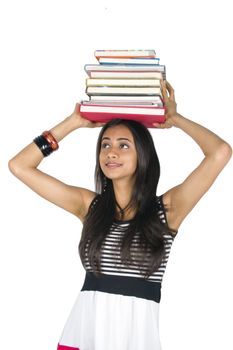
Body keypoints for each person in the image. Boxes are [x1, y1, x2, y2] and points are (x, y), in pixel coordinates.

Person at [8, 80, 232, 350]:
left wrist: (176, 118)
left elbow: (220, 152)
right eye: (105, 145)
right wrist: (73, 122)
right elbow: (19, 166)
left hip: (136, 341)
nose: (111, 152)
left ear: (143, 155)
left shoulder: (168, 211)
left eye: (124, 145)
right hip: (82, 336)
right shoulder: (88, 206)